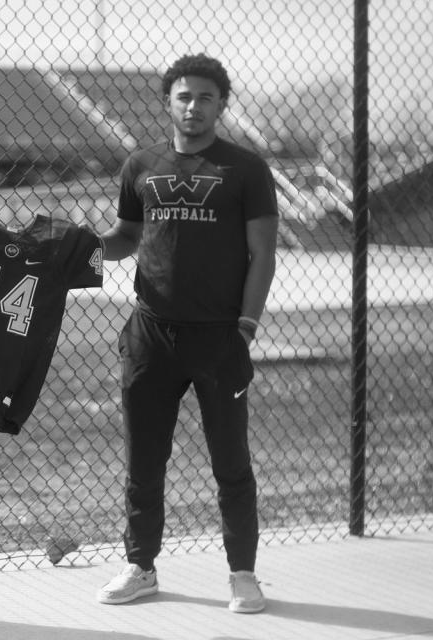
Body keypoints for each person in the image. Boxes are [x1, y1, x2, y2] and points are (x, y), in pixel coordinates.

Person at [96, 54, 279, 613]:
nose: (193, 106)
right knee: (144, 460)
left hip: (220, 338)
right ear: (168, 102)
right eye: (183, 96)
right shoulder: (141, 164)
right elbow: (126, 235)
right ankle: (140, 565)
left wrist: (245, 327)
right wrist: (81, 248)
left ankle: (243, 574)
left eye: (205, 96)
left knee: (231, 462)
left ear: (221, 104)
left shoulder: (245, 169)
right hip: (151, 334)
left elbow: (262, 253)